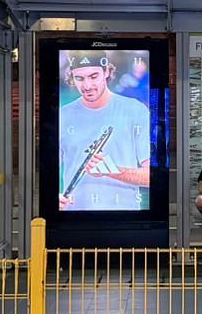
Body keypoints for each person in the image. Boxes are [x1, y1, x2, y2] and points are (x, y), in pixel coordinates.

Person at [58, 54, 152, 211]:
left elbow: (151, 176)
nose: (87, 86)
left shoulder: (135, 110)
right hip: (73, 217)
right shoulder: (63, 115)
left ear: (107, 71)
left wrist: (112, 171)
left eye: (93, 76)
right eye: (79, 78)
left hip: (126, 219)